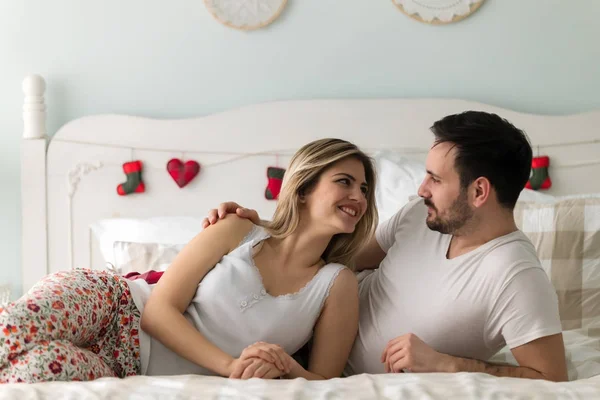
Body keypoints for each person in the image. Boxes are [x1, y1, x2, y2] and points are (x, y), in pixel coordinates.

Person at [203, 111, 568, 382]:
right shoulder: (420, 216)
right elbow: (332, 256)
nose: (421, 188)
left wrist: (447, 364)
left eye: (435, 179)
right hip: (285, 329)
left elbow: (551, 379)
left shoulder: (516, 276)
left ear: (478, 192)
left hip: (320, 376)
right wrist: (262, 229)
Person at [0, 138, 378, 383]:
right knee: (12, 332)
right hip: (116, 304)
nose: (358, 196)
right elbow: (158, 311)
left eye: (363, 188)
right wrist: (232, 368)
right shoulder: (237, 229)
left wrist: (285, 368)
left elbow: (326, 382)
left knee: (25, 375)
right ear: (303, 190)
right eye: (344, 181)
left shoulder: (336, 283)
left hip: (129, 370)